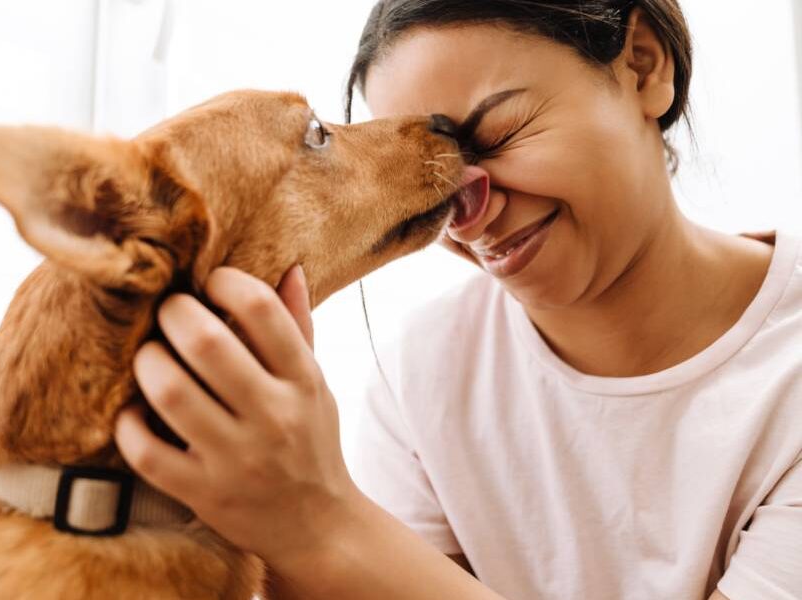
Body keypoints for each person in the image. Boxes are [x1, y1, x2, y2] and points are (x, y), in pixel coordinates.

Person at [113, 1, 802, 598]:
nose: (468, 217)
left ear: (645, 66)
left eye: (499, 134)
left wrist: (319, 514)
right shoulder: (424, 372)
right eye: (435, 185)